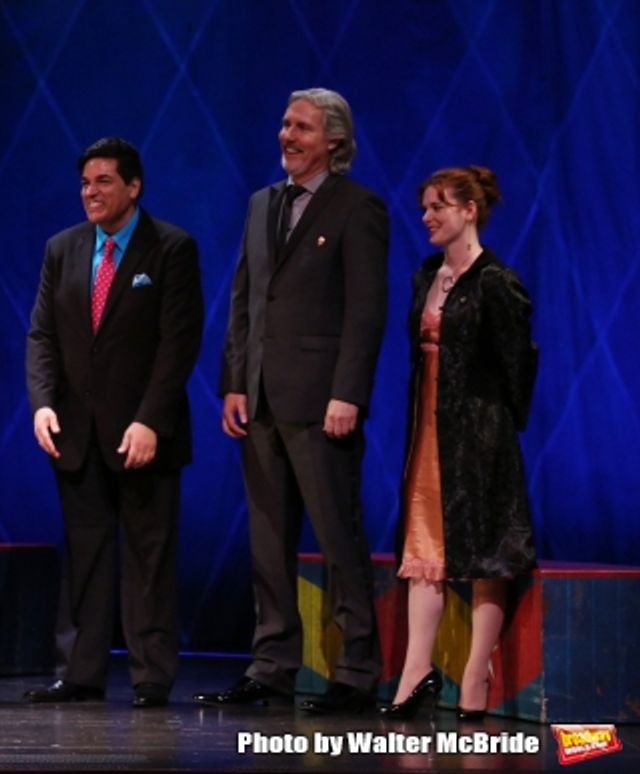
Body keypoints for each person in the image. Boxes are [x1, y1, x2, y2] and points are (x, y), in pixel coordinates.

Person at [198, 88, 388, 714]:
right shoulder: (261, 205)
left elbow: (365, 311)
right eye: (284, 123)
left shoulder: (357, 208)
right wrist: (233, 380)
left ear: (333, 140)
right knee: (267, 543)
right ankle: (272, 665)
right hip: (259, 403)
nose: (287, 135)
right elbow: (246, 298)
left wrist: (348, 393)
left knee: (338, 539)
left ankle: (356, 671)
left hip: (321, 403)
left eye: (301, 127)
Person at [23, 137, 203, 709]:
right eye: (84, 183)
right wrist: (43, 402)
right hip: (76, 432)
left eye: (103, 181)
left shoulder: (171, 247)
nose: (90, 193)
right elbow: (42, 335)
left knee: (149, 557)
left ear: (133, 186)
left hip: (145, 434)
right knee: (86, 556)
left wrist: (150, 418)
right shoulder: (63, 248)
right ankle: (79, 672)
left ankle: (151, 676)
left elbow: (178, 342)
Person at [381, 166, 537, 721]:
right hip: (428, 429)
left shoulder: (496, 281)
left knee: (483, 551)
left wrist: (496, 425)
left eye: (438, 206)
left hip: (480, 434)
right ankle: (415, 674)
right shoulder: (427, 275)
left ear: (469, 210)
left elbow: (518, 363)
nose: (427, 216)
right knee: (425, 552)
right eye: (424, 206)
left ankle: (475, 676)